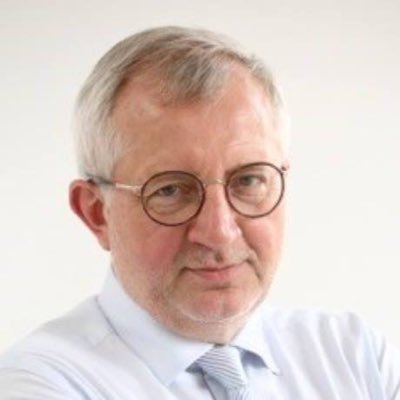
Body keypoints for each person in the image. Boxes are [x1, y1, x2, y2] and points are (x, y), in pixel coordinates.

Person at [0, 26, 399, 400]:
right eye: (171, 190)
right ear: (97, 214)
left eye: (248, 180)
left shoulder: (354, 356)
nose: (220, 231)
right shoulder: (40, 383)